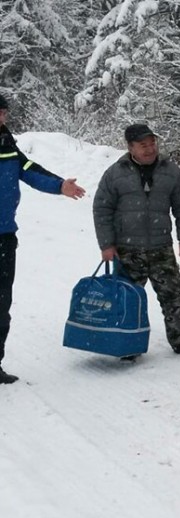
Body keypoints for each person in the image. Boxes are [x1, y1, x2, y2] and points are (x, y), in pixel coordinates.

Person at [93, 123, 180, 359]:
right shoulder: (115, 173)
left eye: (152, 143)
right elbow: (102, 210)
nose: (150, 149)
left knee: (172, 297)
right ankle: (128, 345)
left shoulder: (170, 171)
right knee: (128, 300)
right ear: (130, 147)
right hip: (128, 250)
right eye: (143, 145)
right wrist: (107, 245)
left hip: (161, 247)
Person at [0, 93, 86, 384]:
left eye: (2, 113)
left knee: (1, 304)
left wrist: (60, 185)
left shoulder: (8, 146)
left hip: (4, 237)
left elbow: (30, 171)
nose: (0, 118)